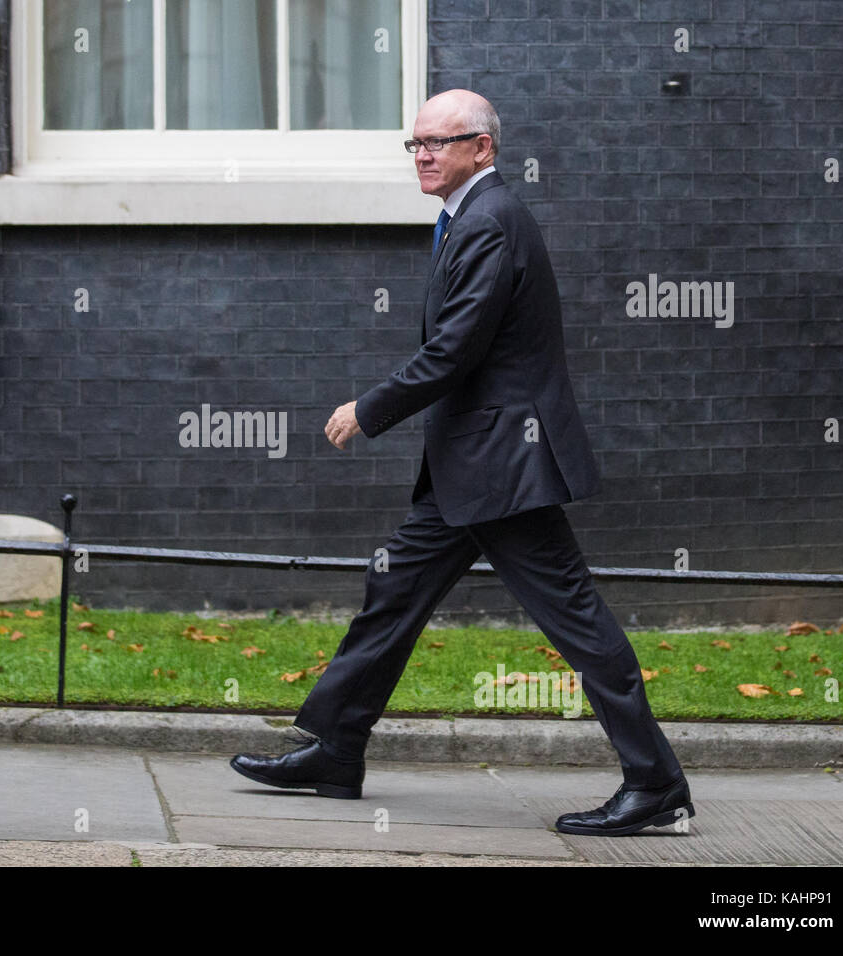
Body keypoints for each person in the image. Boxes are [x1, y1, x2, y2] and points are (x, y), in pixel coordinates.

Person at [229, 89, 694, 836]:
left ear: (483, 148)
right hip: (471, 469)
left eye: (439, 143)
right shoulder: (466, 219)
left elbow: (454, 351)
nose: (423, 154)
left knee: (577, 620)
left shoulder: (491, 222)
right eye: (414, 143)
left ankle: (655, 780)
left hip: (506, 470)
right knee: (393, 592)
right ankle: (335, 747)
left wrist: (368, 409)